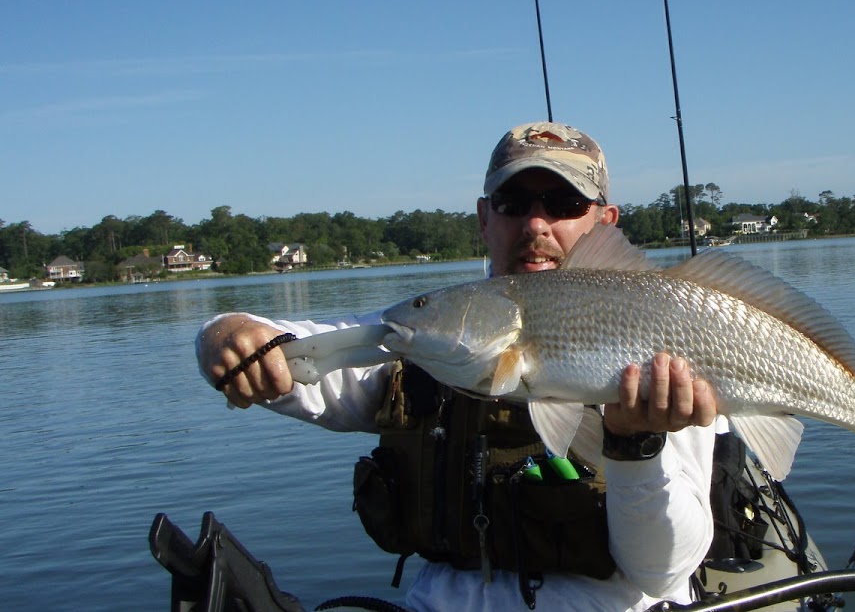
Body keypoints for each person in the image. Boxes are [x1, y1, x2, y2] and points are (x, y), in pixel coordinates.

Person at [196, 121, 720, 612]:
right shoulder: (429, 336)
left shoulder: (667, 339)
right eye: (512, 202)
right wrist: (225, 334)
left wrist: (636, 446)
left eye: (565, 203)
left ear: (604, 221)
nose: (536, 224)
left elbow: (661, 571)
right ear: (484, 217)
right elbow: (298, 353)